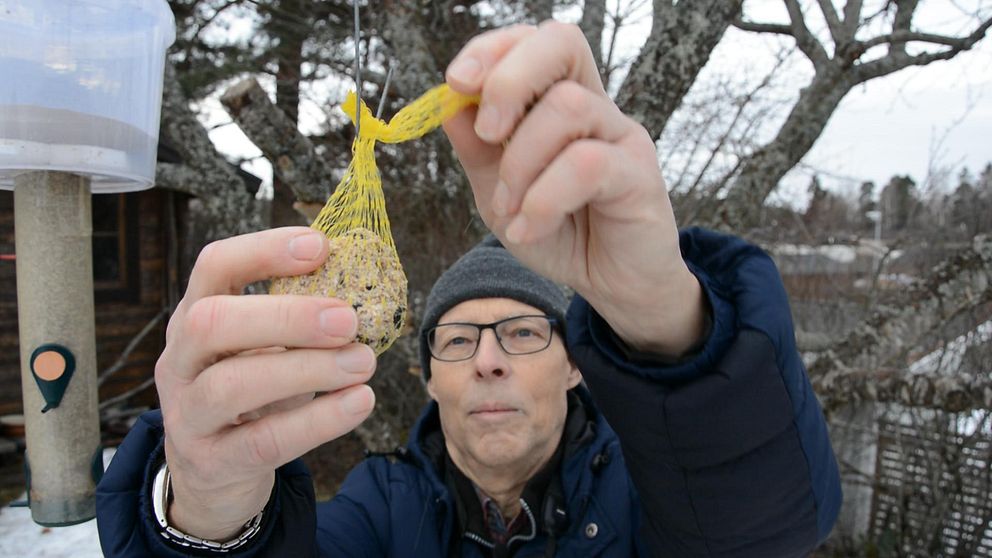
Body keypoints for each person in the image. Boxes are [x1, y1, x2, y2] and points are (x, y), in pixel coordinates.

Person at [96, 22, 841, 557]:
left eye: (521, 333)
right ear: (425, 377)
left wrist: (657, 315)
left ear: (577, 364)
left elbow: (764, 531)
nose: (488, 360)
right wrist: (208, 513)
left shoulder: (655, 500)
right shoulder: (380, 511)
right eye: (457, 339)